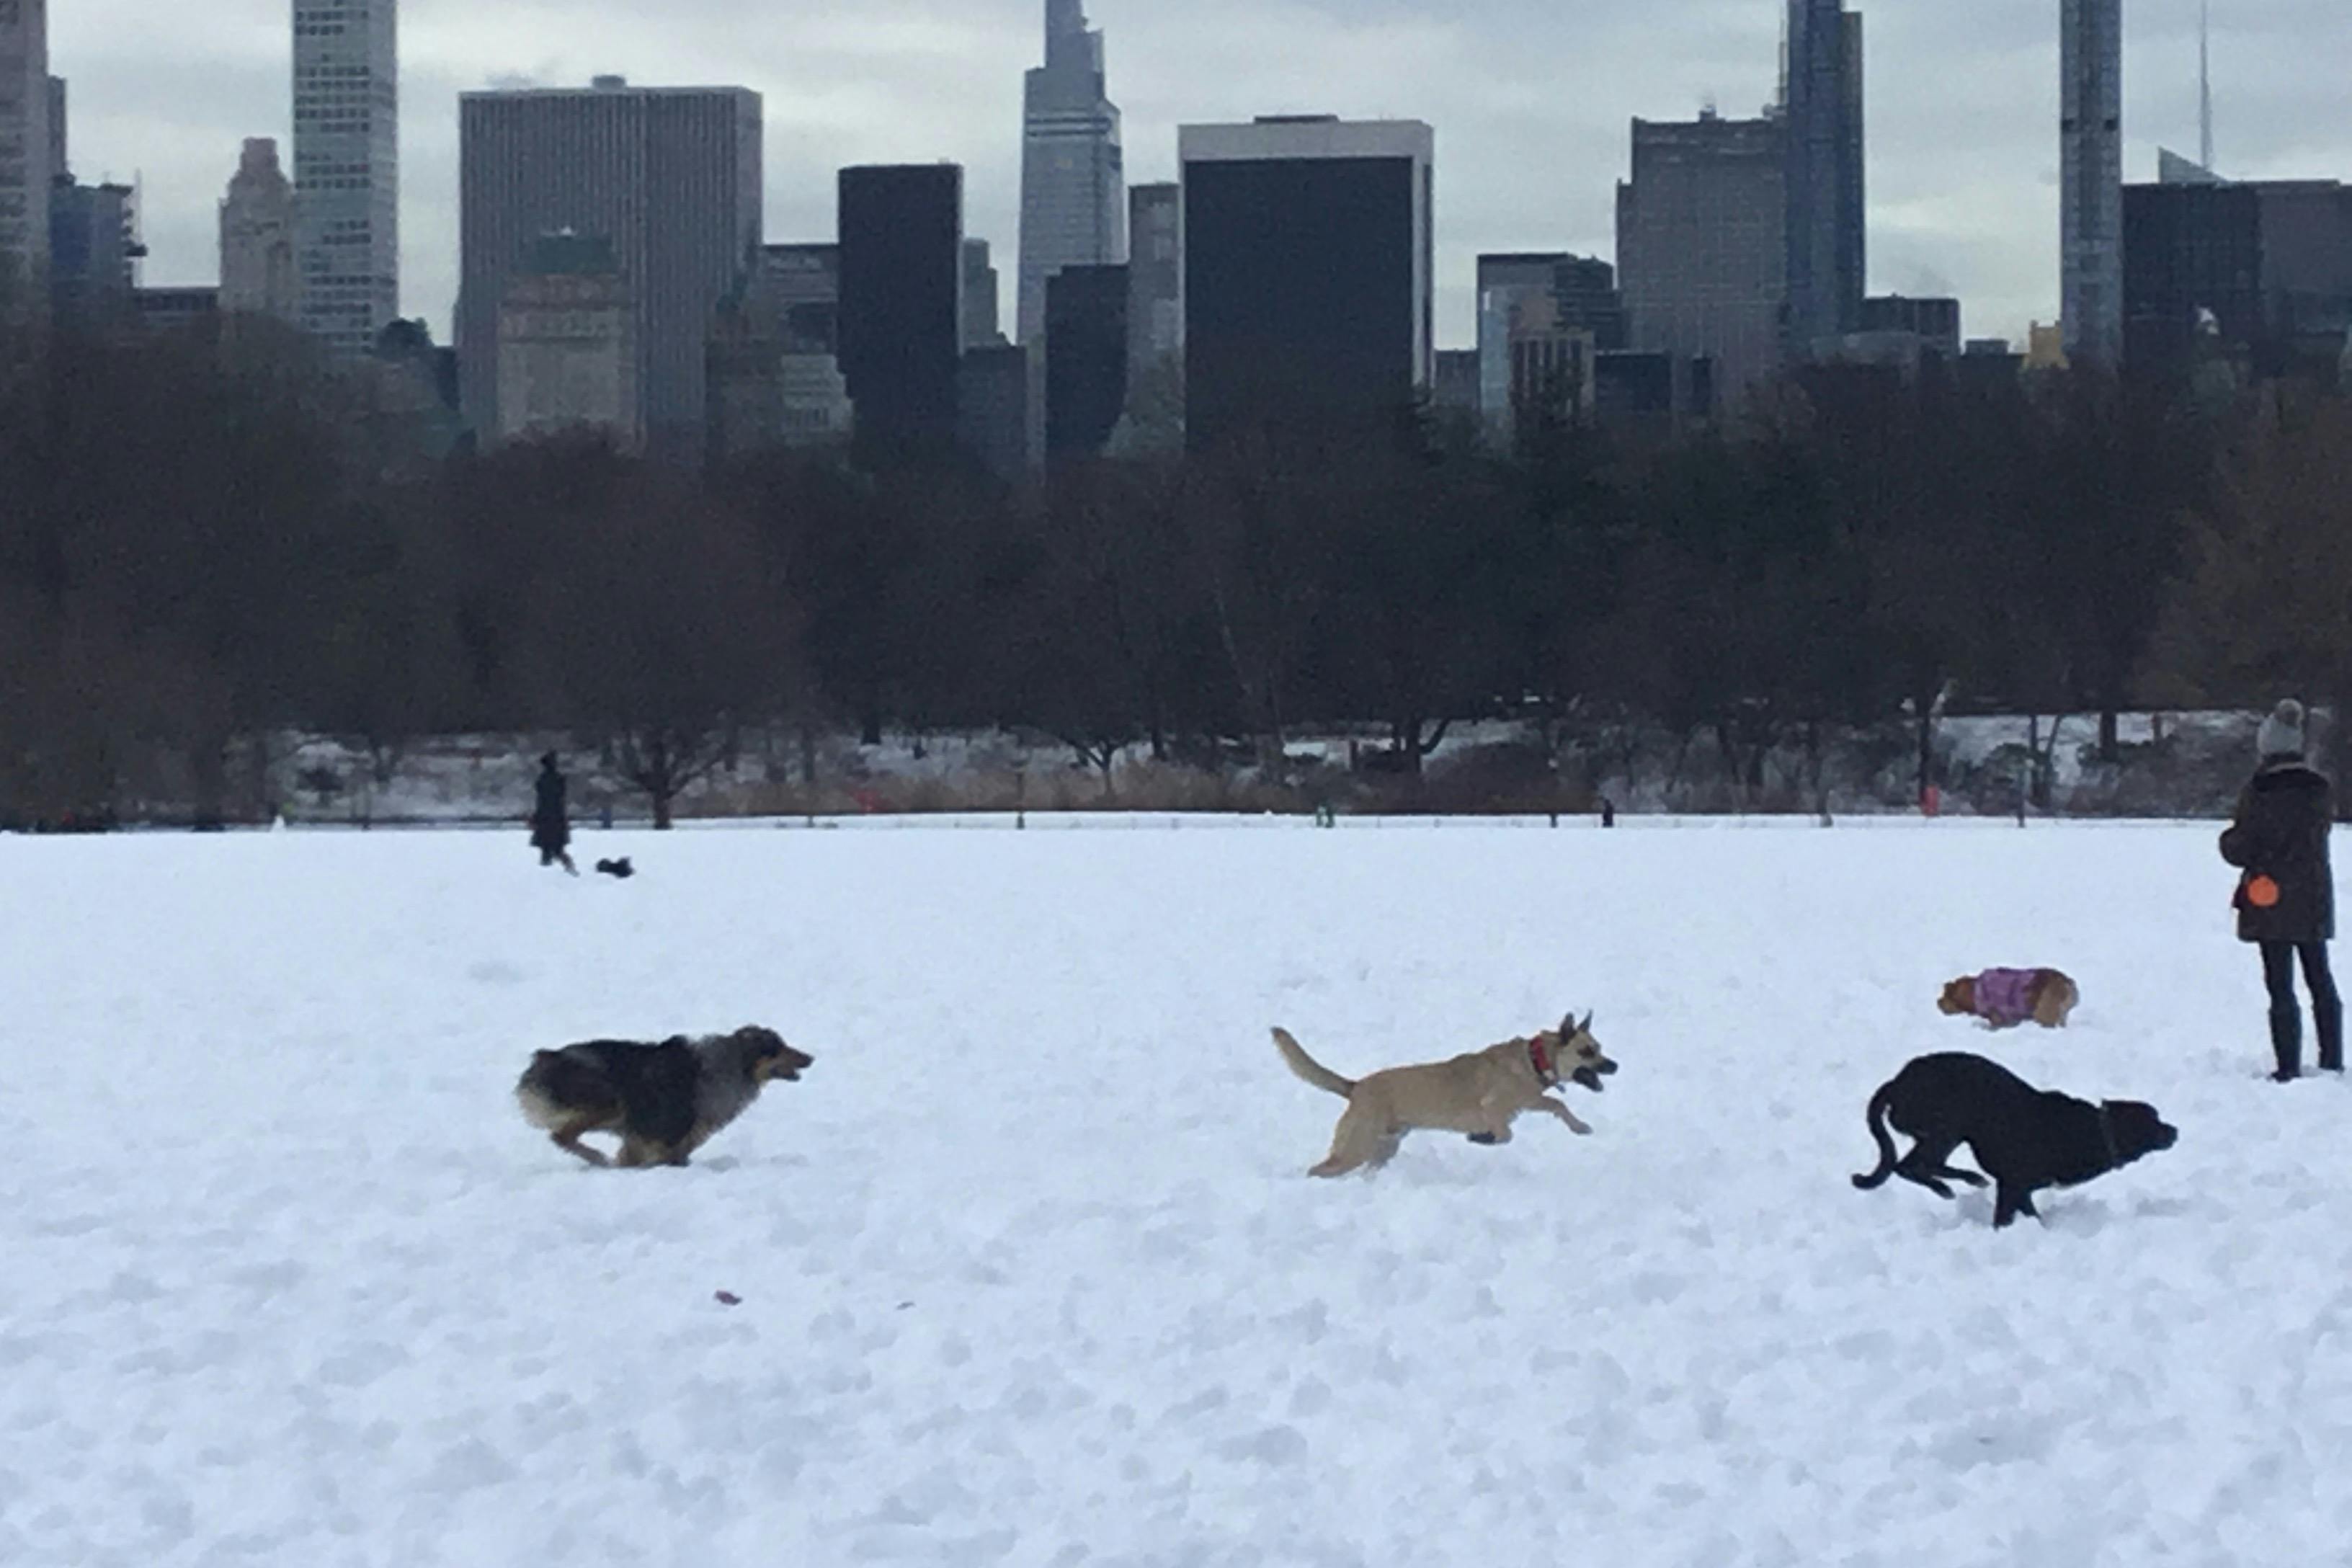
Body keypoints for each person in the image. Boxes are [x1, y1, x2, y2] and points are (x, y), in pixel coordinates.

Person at [2220, 700, 2339, 1080]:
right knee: (2320, 977)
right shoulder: (2320, 790)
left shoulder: (2259, 791)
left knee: (2280, 984)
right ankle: (2332, 1058)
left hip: (2268, 895)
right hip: (2313, 895)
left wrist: (2228, 841)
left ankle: (2288, 1066)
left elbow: (2242, 847)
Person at [531, 752, 578, 875]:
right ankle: (565, 868)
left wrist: (536, 817)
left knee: (547, 849)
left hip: (546, 818)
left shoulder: (543, 780)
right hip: (557, 817)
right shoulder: (558, 779)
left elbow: (542, 801)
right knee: (557, 848)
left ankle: (547, 875)